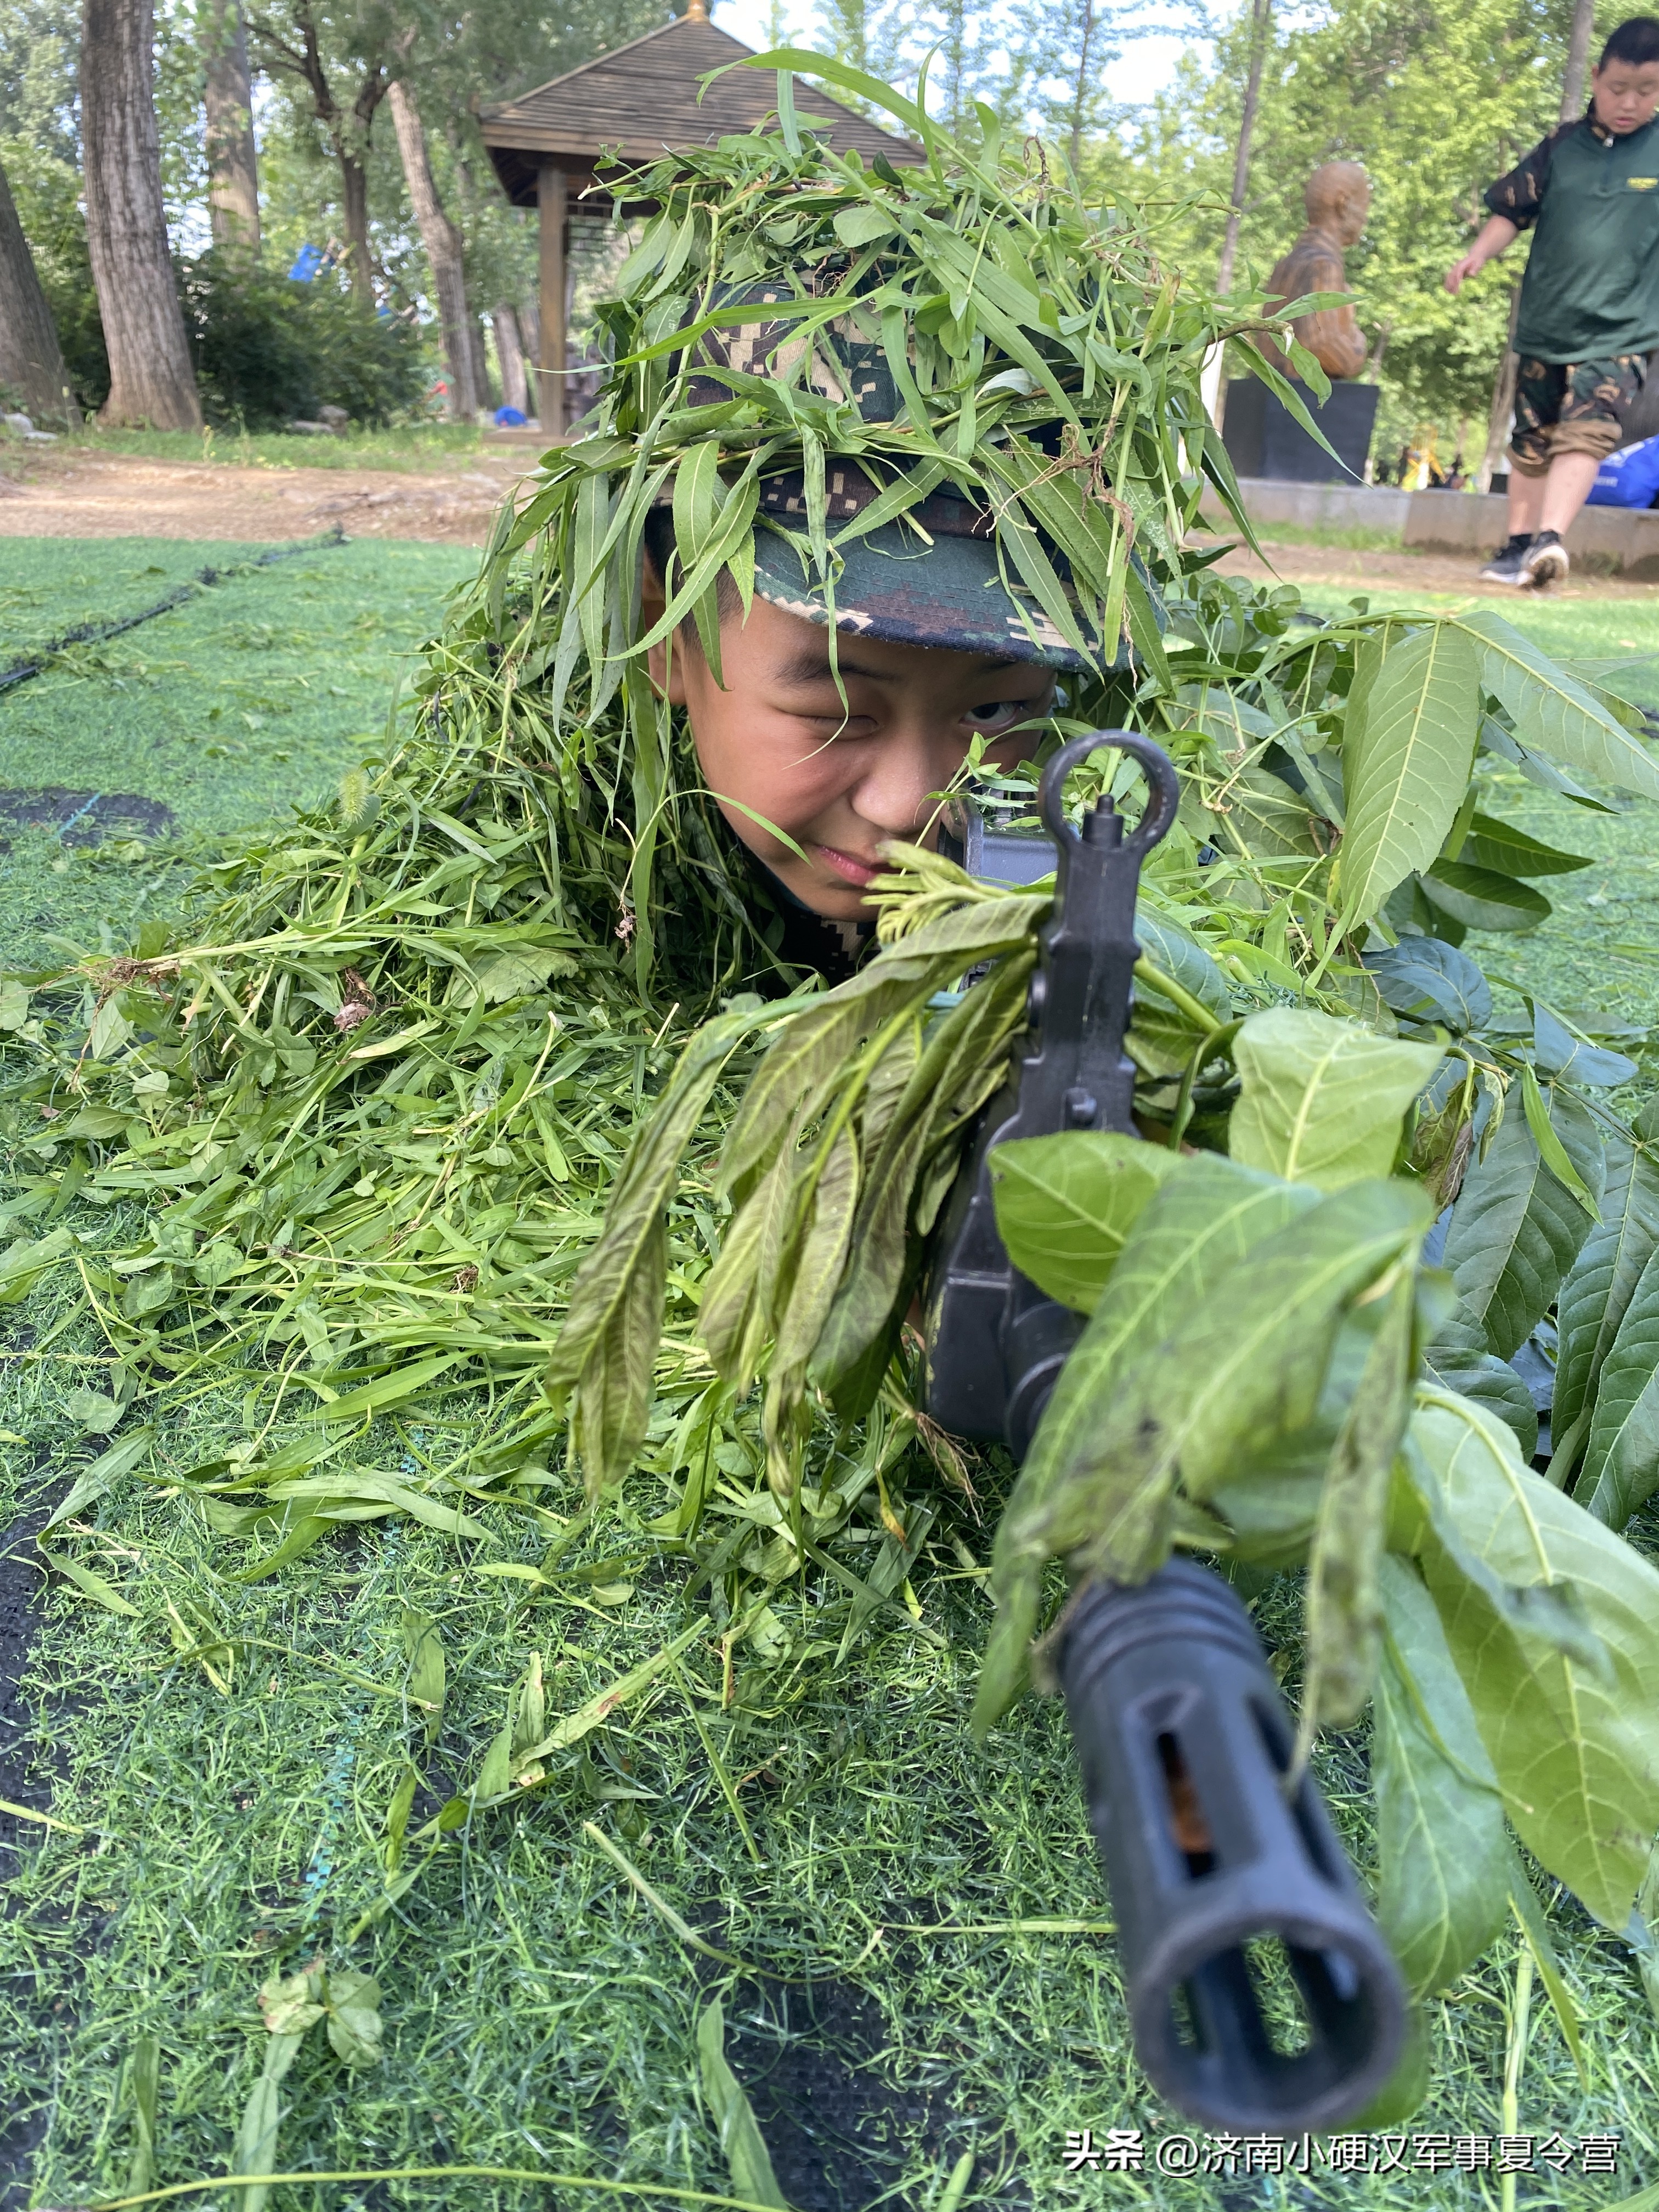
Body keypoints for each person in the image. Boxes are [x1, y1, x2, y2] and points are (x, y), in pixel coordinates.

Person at [1446, 16, 1659, 585]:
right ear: (1595, 77)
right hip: (1548, 324)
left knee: (1589, 429)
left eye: (1647, 92)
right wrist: (1477, 255)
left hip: (1623, 330)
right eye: (1617, 89)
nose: (1629, 103)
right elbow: (1512, 209)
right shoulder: (1562, 147)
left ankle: (1550, 541)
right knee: (1532, 437)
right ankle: (1518, 546)